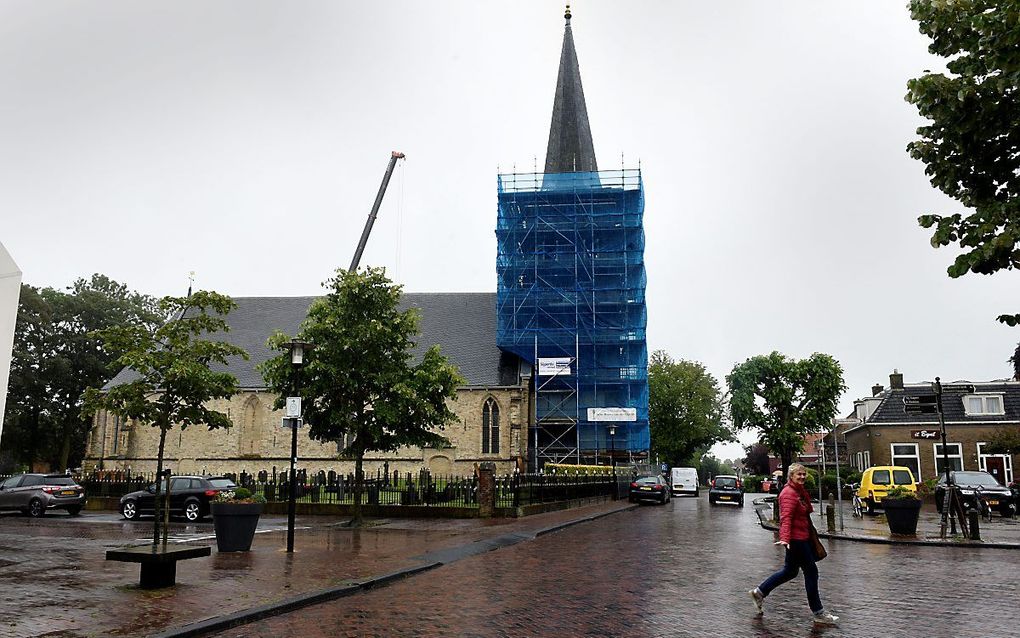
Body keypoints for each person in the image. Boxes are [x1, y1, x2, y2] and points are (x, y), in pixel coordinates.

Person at [748, 463, 838, 626]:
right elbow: (786, 518)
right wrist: (785, 538)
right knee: (811, 572)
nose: (802, 477)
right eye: (799, 475)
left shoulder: (798, 492)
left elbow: (804, 513)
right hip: (796, 540)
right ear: (791, 477)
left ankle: (759, 592)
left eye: (804, 474)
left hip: (801, 537)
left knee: (790, 571)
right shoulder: (789, 494)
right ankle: (818, 613)